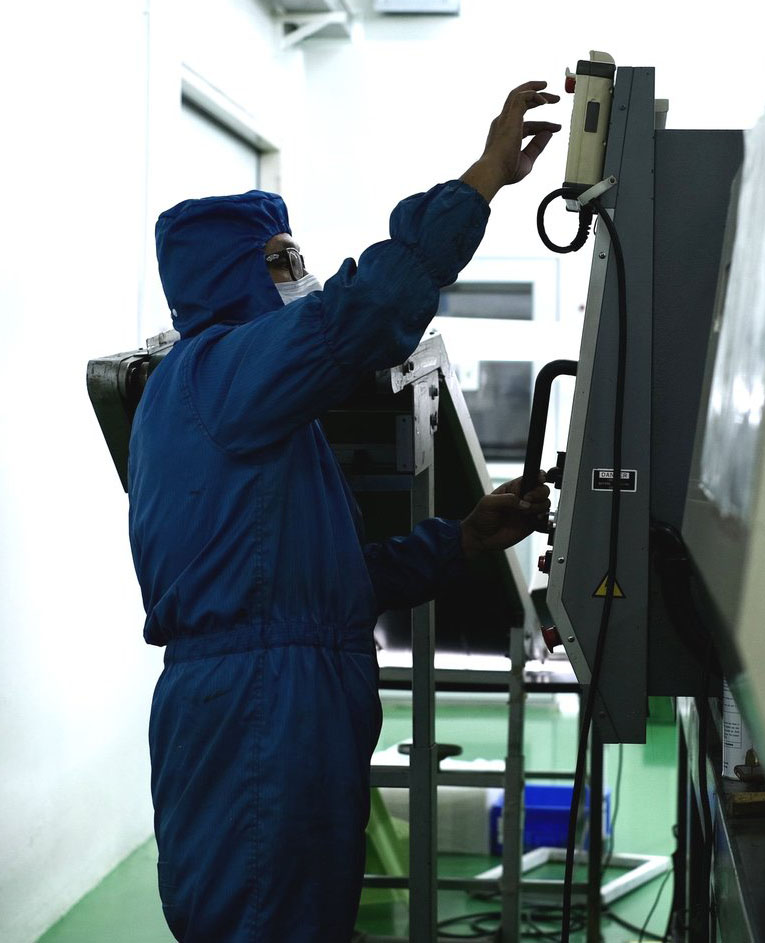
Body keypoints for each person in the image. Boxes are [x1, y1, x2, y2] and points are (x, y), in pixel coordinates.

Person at [128, 81, 560, 942]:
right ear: (239, 272)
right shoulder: (225, 373)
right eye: (286, 261)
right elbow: (362, 314)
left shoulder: (241, 402)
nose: (303, 276)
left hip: (274, 698)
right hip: (263, 708)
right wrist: (481, 182)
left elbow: (330, 578)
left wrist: (465, 538)